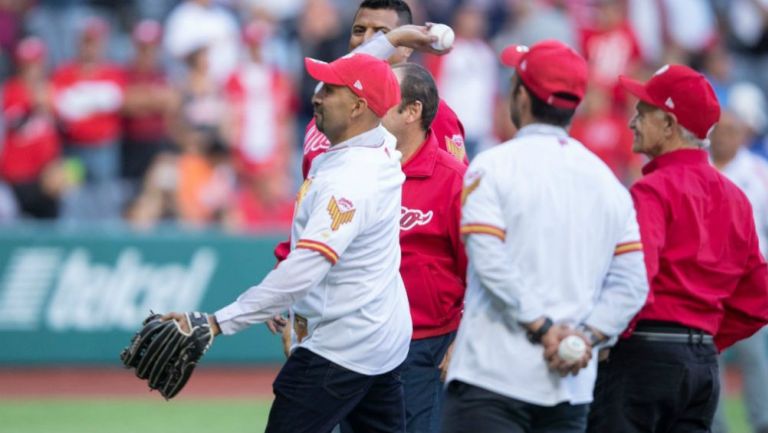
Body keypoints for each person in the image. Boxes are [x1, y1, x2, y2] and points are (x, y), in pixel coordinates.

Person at [165, 53, 411, 433]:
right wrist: (385, 43)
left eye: (330, 90)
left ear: (359, 107)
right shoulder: (378, 145)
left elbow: (304, 270)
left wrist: (216, 323)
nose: (317, 95)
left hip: (339, 347)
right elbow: (372, 84)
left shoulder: (352, 179)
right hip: (380, 338)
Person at [441, 39, 649, 433]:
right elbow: (632, 284)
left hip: (492, 377)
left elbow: (488, 259)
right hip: (568, 381)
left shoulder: (493, 165)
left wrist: (542, 327)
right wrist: (584, 337)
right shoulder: (607, 182)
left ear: (521, 95)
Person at [587, 65, 768, 433]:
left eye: (643, 112)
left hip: (643, 354)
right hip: (701, 362)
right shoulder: (735, 197)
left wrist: (608, 336)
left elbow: (638, 277)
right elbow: (759, 294)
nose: (633, 121)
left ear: (669, 125)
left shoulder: (651, 190)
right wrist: (707, 340)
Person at [358, 62, 465, 433]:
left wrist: (466, 336)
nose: (371, 107)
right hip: (363, 341)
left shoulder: (453, 180)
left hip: (426, 346)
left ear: (412, 111)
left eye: (384, 99)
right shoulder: (361, 170)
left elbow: (482, 267)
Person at [708, 85, 768, 433]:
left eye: (732, 130)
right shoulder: (703, 171)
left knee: (754, 356)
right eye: (720, 131)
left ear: (743, 134)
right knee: (708, 358)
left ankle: (761, 422)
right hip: (710, 281)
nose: (725, 137)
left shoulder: (760, 174)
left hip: (749, 279)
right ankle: (715, 427)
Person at [0, 36, 63, 219]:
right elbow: (15, 122)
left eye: (36, 63)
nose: (32, 69)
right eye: (27, 64)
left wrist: (49, 102)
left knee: (72, 174)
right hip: (14, 179)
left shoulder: (53, 89)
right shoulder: (11, 91)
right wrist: (35, 101)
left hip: (46, 176)